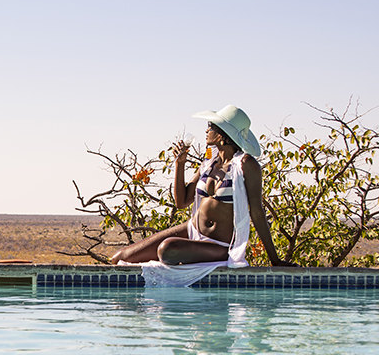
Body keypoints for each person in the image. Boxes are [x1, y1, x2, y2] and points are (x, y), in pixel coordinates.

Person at [110, 105, 291, 284]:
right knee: (119, 258)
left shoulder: (246, 165)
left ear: (222, 134)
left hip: (220, 246)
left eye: (211, 126)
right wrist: (180, 163)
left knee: (167, 250)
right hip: (192, 231)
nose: (206, 130)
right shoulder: (209, 164)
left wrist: (274, 260)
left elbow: (257, 212)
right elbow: (181, 202)